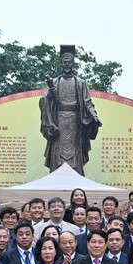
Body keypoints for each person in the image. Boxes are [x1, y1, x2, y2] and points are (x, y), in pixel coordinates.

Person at [40, 45, 102, 176]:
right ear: (61, 64)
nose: (67, 64)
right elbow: (45, 100)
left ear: (73, 64)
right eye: (64, 62)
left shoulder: (80, 83)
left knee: (75, 154)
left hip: (75, 122)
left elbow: (87, 102)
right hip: (58, 122)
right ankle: (56, 176)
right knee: (58, 153)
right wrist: (50, 96)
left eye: (69, 62)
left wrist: (94, 116)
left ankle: (76, 177)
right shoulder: (55, 82)